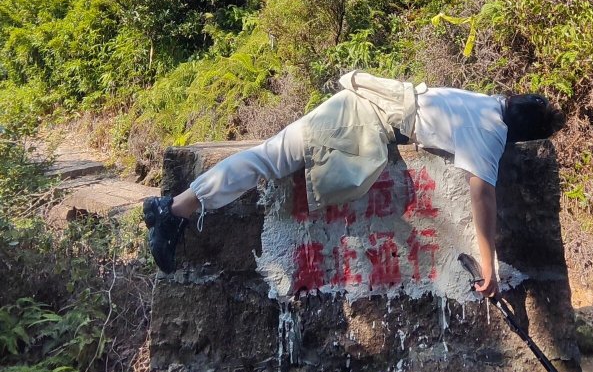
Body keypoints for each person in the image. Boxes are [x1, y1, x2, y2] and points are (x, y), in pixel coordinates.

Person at [143, 72, 565, 296]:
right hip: (353, 122)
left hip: (361, 112)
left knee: (266, 158)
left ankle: (174, 207)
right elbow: (482, 195)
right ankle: (173, 210)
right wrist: (489, 266)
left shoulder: (484, 103)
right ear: (520, 135)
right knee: (267, 160)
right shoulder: (493, 132)